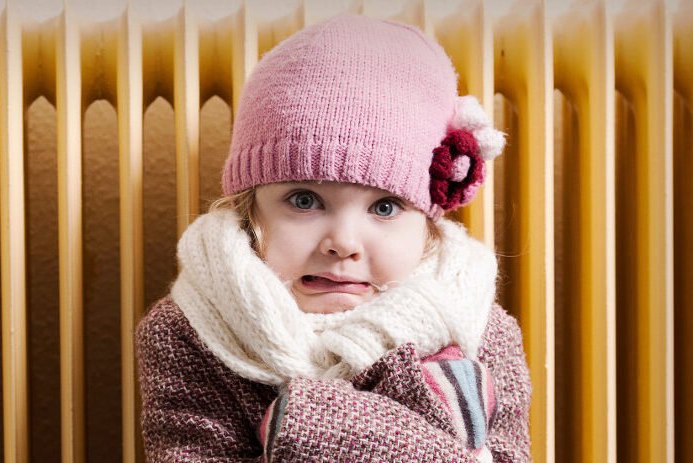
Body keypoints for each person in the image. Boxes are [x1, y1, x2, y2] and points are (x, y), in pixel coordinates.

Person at [135, 12, 532, 462]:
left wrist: (323, 426)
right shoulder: (190, 329)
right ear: (249, 209)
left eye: (384, 207)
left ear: (428, 227)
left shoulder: (478, 323)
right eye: (304, 201)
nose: (343, 243)